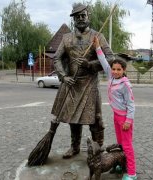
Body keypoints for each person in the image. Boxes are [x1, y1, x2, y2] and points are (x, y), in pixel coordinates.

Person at [51, 3, 114, 159]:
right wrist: (64, 76)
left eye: (83, 15)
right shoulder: (66, 38)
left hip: (91, 84)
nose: (80, 18)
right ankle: (75, 147)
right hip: (73, 84)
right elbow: (57, 58)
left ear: (88, 16)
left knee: (96, 119)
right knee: (73, 119)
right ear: (74, 19)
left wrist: (90, 64)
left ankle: (97, 149)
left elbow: (111, 58)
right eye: (77, 16)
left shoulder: (97, 36)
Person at [93, 36, 137, 180]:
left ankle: (132, 173)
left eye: (119, 69)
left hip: (124, 118)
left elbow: (131, 104)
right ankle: (120, 163)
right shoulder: (111, 77)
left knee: (127, 145)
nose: (115, 71)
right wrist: (98, 47)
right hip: (116, 116)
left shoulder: (125, 84)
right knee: (119, 143)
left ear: (124, 70)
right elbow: (104, 61)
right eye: (114, 69)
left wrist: (128, 121)